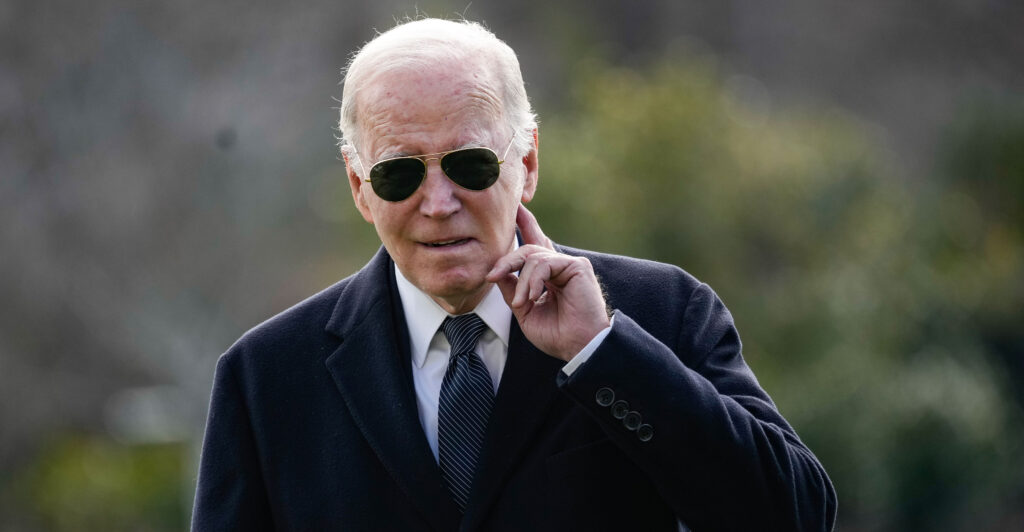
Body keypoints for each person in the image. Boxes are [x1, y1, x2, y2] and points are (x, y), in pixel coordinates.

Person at [191, 17, 837, 531]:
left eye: (469, 164)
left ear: (526, 162)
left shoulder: (661, 310)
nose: (438, 202)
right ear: (360, 187)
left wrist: (602, 352)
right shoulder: (266, 378)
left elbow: (795, 514)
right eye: (400, 172)